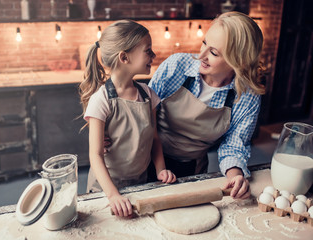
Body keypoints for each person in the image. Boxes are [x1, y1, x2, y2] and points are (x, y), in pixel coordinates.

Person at [148, 11, 265, 200]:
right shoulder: (177, 66)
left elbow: (233, 145)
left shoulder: (246, 96)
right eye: (204, 43)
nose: (201, 55)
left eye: (214, 52)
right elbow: (142, 112)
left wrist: (235, 176)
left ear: (239, 61)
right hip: (146, 156)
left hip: (191, 168)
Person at [79, 20, 176, 217]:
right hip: (105, 188)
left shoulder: (149, 95)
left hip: (140, 181)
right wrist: (113, 195)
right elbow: (95, 155)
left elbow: (154, 138)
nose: (154, 55)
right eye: (148, 50)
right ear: (124, 57)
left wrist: (161, 170)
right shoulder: (101, 100)